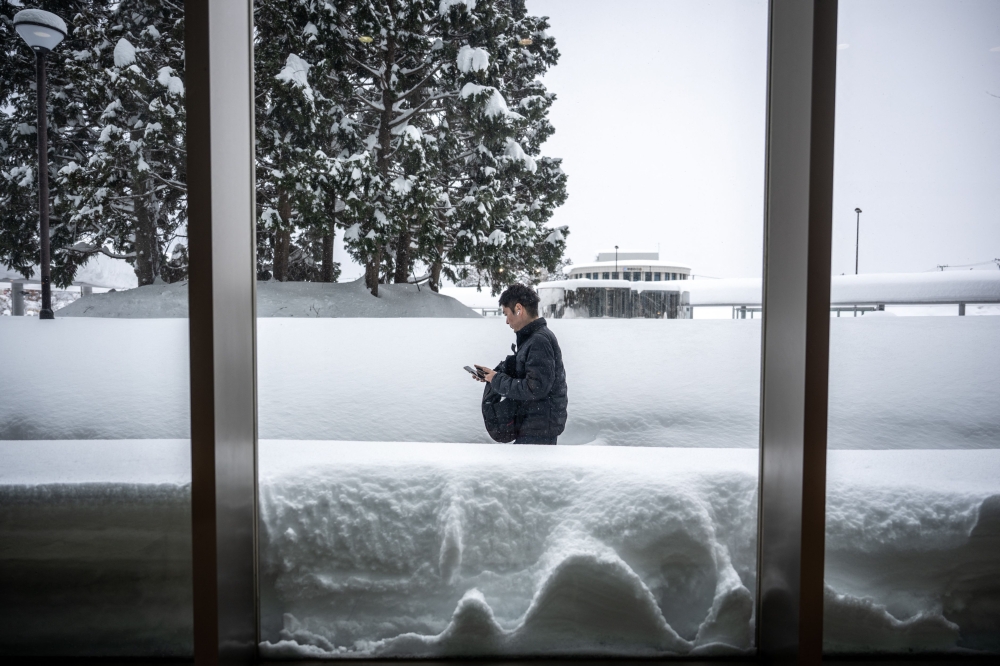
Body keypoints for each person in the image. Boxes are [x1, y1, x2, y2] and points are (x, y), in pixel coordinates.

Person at [473, 283, 568, 444]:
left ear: (518, 309)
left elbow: (535, 388)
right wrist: (493, 375)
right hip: (535, 425)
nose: (506, 321)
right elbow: (526, 371)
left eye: (506, 314)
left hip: (539, 429)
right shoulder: (533, 338)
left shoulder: (539, 341)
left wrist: (497, 380)